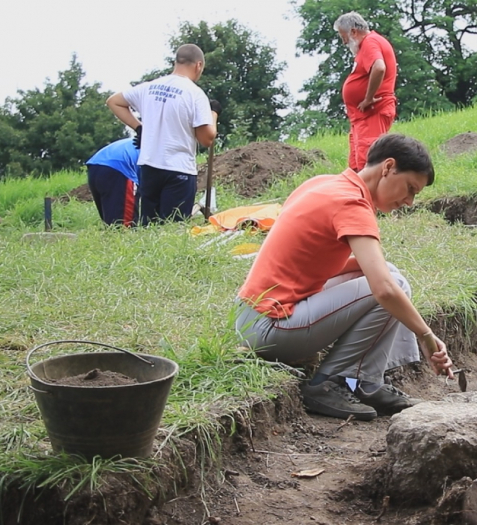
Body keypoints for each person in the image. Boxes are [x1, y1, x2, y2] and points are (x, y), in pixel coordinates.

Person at [235, 134, 454, 421]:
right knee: (391, 284)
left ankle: (366, 382)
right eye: (410, 188)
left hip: (252, 316)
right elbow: (384, 291)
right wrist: (426, 335)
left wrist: (370, 270)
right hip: (269, 327)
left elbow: (310, 261)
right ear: (388, 167)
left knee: (388, 272)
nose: (410, 201)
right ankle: (329, 383)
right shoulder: (351, 203)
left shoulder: (326, 183)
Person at [106, 44, 220, 225]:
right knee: (172, 230)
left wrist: (139, 127)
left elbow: (114, 101)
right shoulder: (195, 94)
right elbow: (206, 139)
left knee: (149, 228)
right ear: (198, 65)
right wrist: (213, 114)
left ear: (176, 62)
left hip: (149, 167)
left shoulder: (149, 87)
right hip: (178, 170)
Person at [334, 12, 397, 172]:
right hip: (361, 118)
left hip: (372, 113)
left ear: (354, 31)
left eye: (344, 37)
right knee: (356, 167)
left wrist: (368, 98)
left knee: (368, 163)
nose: (344, 42)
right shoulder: (366, 46)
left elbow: (379, 67)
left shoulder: (370, 42)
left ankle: (371, 197)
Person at [86, 138, 140, 226]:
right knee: (123, 227)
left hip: (95, 166)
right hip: (120, 168)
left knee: (111, 223)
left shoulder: (141, 141)